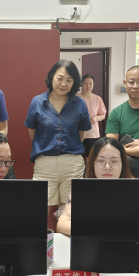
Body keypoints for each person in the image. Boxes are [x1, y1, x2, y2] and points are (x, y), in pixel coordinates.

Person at [24, 60, 91, 228]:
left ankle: (62, 242)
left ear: (74, 82)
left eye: (69, 80)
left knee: (65, 213)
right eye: (60, 78)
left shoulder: (80, 104)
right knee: (39, 210)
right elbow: (33, 132)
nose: (63, 84)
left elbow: (81, 134)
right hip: (45, 164)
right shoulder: (37, 102)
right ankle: (44, 244)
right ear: (51, 77)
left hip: (72, 164)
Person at [57, 137, 134, 236]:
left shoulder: (135, 190)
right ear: (92, 164)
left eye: (114, 161)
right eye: (101, 161)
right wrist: (97, 230)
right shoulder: (82, 191)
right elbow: (62, 224)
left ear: (123, 164)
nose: (107, 167)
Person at [77, 74, 107, 158]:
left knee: (91, 157)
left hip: (93, 133)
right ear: (82, 84)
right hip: (78, 132)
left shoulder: (98, 99)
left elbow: (103, 115)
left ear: (93, 85)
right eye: (86, 83)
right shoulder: (76, 98)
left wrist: (96, 118)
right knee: (78, 157)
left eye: (90, 83)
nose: (88, 86)